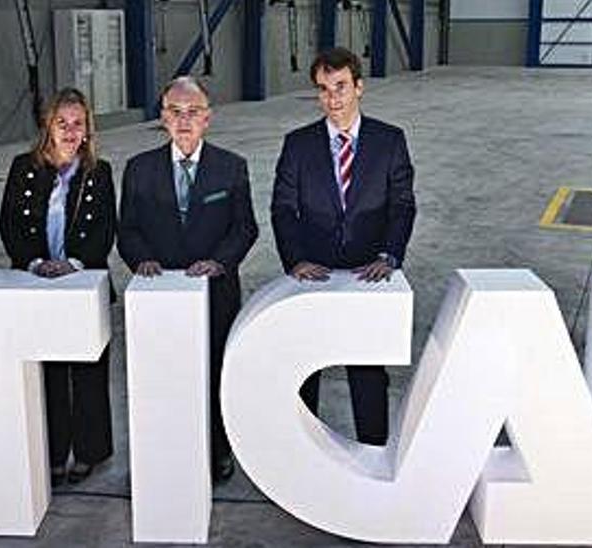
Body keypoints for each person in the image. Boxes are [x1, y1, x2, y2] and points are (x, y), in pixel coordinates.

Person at [270, 47, 416, 446]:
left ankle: (373, 449)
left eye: (340, 87)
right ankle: (305, 449)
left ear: (359, 87)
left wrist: (389, 254)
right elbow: (283, 207)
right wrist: (296, 260)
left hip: (367, 272)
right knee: (306, 368)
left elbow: (402, 205)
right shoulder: (298, 145)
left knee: (367, 369)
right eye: (323, 89)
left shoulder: (390, 141)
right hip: (314, 274)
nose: (332, 98)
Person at [118, 76, 258, 481]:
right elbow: (127, 229)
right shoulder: (139, 170)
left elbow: (245, 228)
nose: (184, 120)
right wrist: (141, 259)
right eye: (175, 112)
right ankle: (169, 452)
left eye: (193, 112)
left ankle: (218, 449)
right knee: (164, 374)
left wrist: (219, 261)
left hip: (215, 292)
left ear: (208, 118)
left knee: (215, 372)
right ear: (162, 118)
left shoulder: (231, 167)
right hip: (160, 296)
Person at [0, 88, 117, 484]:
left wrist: (73, 263)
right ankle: (50, 450)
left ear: (88, 128)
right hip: (35, 282)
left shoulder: (100, 171)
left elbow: (105, 229)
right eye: (61, 122)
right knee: (45, 371)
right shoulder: (23, 167)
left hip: (82, 281)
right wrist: (34, 263)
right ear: (48, 126)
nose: (69, 130)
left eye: (77, 123)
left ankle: (88, 451)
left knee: (87, 371)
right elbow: (9, 224)